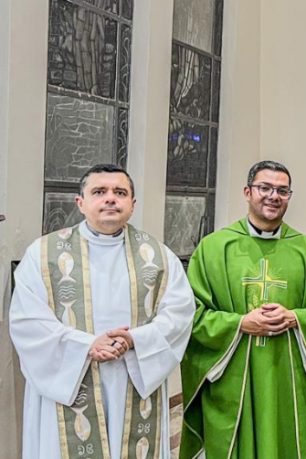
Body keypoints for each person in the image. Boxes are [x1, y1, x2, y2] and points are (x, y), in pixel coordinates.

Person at [11, 164, 195, 459]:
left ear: (132, 205)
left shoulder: (158, 256)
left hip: (133, 377)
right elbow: (27, 320)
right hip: (70, 380)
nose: (110, 199)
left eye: (120, 193)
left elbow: (180, 315)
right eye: (100, 191)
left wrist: (135, 339)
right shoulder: (43, 255)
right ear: (81, 202)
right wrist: (86, 346)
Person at [180, 161, 306, 459]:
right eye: (265, 188)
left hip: (290, 379)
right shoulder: (215, 248)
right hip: (233, 379)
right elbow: (190, 314)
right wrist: (239, 323)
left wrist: (296, 317)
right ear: (247, 192)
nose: (273, 196)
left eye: (282, 190)